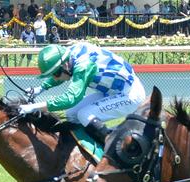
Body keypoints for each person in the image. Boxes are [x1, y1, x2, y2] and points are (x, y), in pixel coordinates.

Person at [18, 42, 146, 145]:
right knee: (71, 114)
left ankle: (113, 151)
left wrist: (33, 107)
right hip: (110, 92)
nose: (55, 78)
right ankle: (85, 151)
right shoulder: (69, 56)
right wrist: (41, 88)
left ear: (65, 65)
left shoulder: (83, 65)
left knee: (85, 114)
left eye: (55, 74)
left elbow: (71, 98)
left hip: (130, 94)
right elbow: (63, 75)